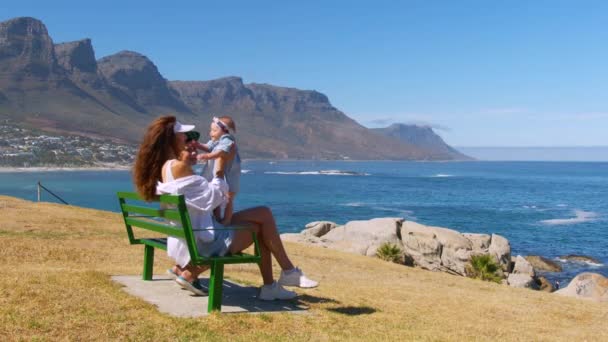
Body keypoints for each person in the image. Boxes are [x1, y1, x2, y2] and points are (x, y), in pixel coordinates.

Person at [132, 115, 317, 300]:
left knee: (263, 214)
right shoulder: (179, 167)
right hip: (205, 241)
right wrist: (220, 168)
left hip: (192, 233)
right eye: (184, 135)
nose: (188, 138)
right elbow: (213, 197)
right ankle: (280, 278)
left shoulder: (167, 166)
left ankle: (281, 278)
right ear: (173, 138)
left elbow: (200, 197)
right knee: (261, 224)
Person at [194, 116, 241, 225]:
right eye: (211, 130)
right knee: (217, 198)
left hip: (229, 176)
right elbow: (208, 146)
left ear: (225, 131)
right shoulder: (216, 141)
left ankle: (227, 219)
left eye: (214, 130)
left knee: (229, 198)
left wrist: (207, 156)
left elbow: (221, 152)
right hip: (219, 176)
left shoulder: (227, 140)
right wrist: (197, 144)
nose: (211, 133)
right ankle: (217, 218)